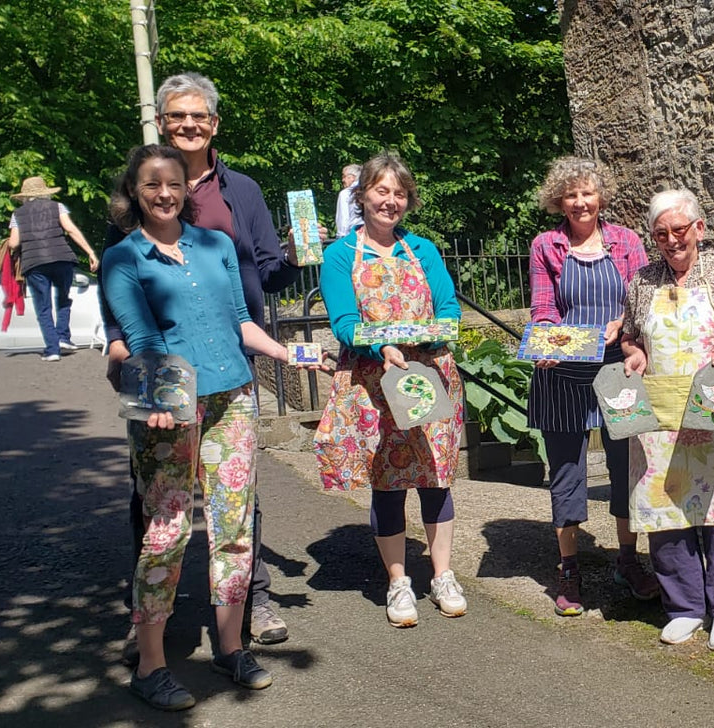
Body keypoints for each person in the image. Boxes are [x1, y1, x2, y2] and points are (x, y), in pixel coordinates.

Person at [103, 144, 315, 710]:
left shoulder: (216, 245)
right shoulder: (123, 258)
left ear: (185, 189)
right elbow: (140, 336)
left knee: (235, 523)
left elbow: (241, 321)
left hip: (234, 396)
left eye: (173, 183)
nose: (165, 193)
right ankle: (151, 664)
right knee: (167, 531)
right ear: (135, 192)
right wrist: (157, 397)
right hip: (168, 406)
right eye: (151, 185)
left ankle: (229, 646)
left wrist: (286, 355)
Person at [314, 151, 469, 629]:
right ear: (361, 196)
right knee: (388, 479)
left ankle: (442, 574)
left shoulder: (422, 249)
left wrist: (430, 335)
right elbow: (344, 323)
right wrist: (384, 346)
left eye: (399, 193)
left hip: (429, 376)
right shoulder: (340, 255)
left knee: (436, 476)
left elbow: (449, 311)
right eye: (381, 191)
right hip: (373, 383)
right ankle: (398, 580)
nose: (391, 201)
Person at [619, 189, 714, 651]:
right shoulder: (640, 282)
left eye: (679, 230)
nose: (670, 240)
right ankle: (684, 606)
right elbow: (629, 338)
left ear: (699, 229)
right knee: (667, 509)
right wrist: (635, 354)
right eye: (660, 234)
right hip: (661, 411)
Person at [526, 157, 658, 615]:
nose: (580, 202)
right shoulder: (547, 245)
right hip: (561, 374)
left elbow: (643, 300)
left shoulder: (627, 242)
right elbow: (543, 308)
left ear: (600, 196)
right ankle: (569, 570)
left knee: (626, 466)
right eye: (571, 195)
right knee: (566, 472)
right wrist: (547, 342)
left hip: (618, 369)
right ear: (558, 201)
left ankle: (627, 560)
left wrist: (624, 323)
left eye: (587, 193)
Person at [5, 176, 99, 360]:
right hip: (62, 259)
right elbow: (71, 229)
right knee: (63, 299)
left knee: (43, 307)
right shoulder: (58, 207)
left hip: (35, 264)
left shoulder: (18, 214)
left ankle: (52, 350)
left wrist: (10, 245)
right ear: (45, 193)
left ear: (25, 196)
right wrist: (90, 252)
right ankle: (63, 337)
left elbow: (14, 242)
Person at [335, 163, 363, 238]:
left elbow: (343, 218)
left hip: (352, 235)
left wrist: (341, 237)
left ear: (352, 178)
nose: (343, 180)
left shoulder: (345, 193)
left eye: (344, 176)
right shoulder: (368, 191)